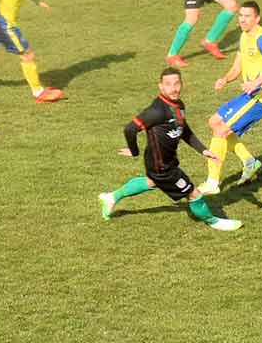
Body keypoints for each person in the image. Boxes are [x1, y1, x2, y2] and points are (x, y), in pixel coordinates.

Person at [98, 67, 241, 231]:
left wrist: (203, 150)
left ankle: (111, 197)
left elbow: (184, 130)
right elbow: (130, 129)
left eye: (177, 83)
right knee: (193, 192)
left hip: (164, 160)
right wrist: (134, 151)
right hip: (162, 166)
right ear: (161, 87)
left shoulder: (178, 105)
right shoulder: (157, 111)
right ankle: (214, 221)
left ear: (182, 84)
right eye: (168, 84)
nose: (173, 88)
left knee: (152, 181)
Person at [199, 0, 262, 194]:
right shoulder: (245, 36)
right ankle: (249, 162)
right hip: (250, 94)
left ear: (257, 19)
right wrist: (225, 79)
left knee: (221, 131)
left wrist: (256, 82)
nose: (243, 20)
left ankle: (212, 182)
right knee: (214, 122)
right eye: (241, 16)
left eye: (247, 16)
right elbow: (238, 65)